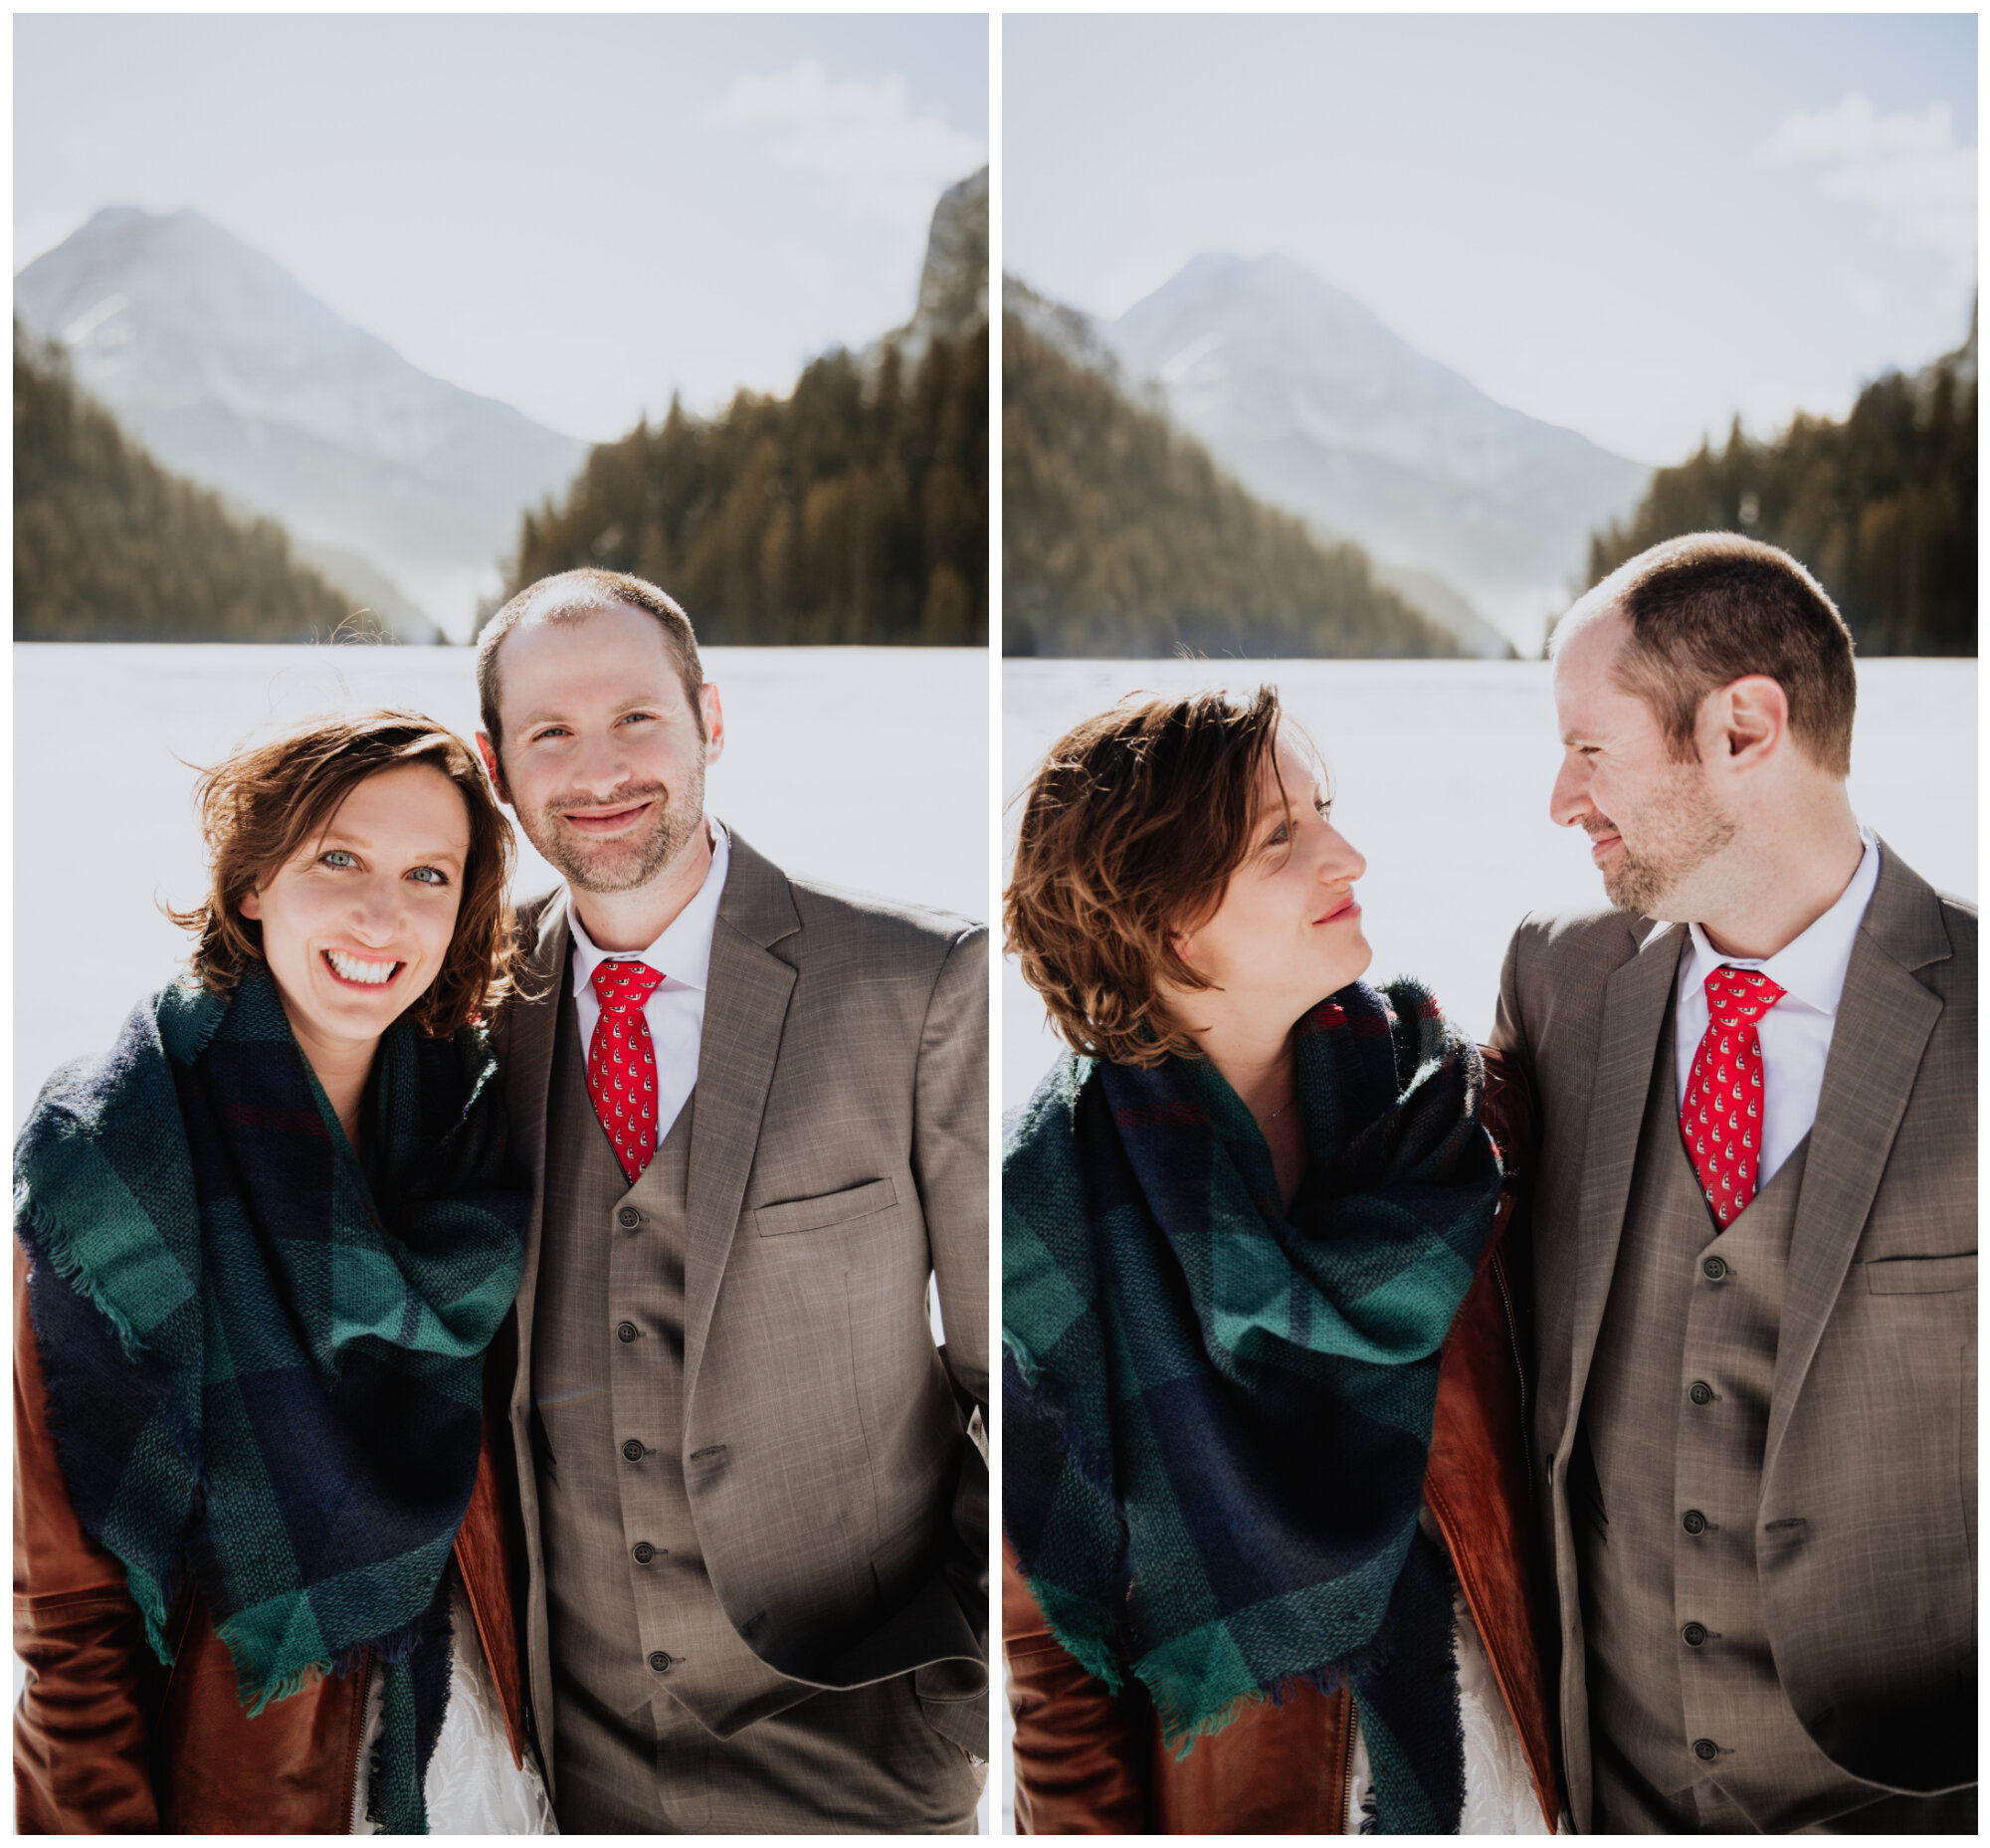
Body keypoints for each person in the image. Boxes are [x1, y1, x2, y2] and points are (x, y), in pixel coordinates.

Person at [470, 567, 988, 1833]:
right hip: (573, 1768)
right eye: (549, 732)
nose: (597, 768)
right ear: (495, 767)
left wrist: (966, 1686)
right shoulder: (467, 1017)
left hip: (864, 1747)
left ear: (710, 716)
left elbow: (1016, 1385)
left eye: (636, 717)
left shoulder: (916, 984)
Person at [1001, 687, 1562, 1834]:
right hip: (1243, 1794)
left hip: (1504, 1777)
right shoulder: (1047, 1216)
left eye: (1323, 812)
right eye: (1279, 838)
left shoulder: (1464, 1127)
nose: (1343, 853)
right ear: (1163, 920)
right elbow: (1055, 1661)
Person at [1492, 532, 1976, 1832]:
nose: (1561, 798)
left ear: (1746, 727)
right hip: (1613, 1800)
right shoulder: (1557, 981)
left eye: (1593, 749)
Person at [14, 711, 550, 1834]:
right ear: (253, 883)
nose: (381, 913)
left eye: (428, 874)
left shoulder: (476, 1128)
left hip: (479, 1755)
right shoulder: (118, 1155)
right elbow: (70, 1619)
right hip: (248, 1776)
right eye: (338, 859)